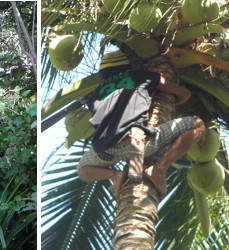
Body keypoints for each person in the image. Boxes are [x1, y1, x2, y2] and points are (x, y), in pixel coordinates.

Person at [76, 50, 205, 199]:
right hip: (138, 142)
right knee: (198, 124)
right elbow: (183, 93)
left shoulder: (94, 97)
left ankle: (115, 175)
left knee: (82, 170)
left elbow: (96, 125)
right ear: (127, 68)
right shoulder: (140, 75)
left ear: (102, 76)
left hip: (106, 150)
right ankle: (159, 169)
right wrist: (177, 102)